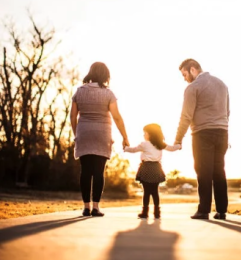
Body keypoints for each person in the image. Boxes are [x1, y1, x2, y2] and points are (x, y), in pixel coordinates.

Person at [70, 62, 129, 217]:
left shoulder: (79, 92)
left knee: (85, 171)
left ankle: (85, 207)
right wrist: (125, 136)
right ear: (105, 75)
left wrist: (77, 133)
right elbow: (117, 117)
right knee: (98, 172)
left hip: (84, 133)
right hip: (102, 134)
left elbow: (73, 116)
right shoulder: (108, 94)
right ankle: (96, 207)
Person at [174, 59, 230, 220]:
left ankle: (204, 210)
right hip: (222, 133)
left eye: (185, 74)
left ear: (192, 69)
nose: (184, 78)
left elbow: (186, 116)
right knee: (219, 171)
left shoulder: (193, 88)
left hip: (202, 134)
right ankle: (221, 210)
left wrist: (178, 139)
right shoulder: (222, 84)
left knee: (203, 172)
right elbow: (227, 111)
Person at [124, 123, 181, 219]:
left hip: (146, 168)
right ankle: (157, 212)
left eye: (145, 133)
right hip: (156, 169)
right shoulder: (160, 144)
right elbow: (171, 149)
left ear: (150, 134)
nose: (143, 135)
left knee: (146, 192)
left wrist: (125, 148)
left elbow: (133, 150)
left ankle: (145, 212)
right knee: (155, 191)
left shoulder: (144, 144)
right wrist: (179, 145)